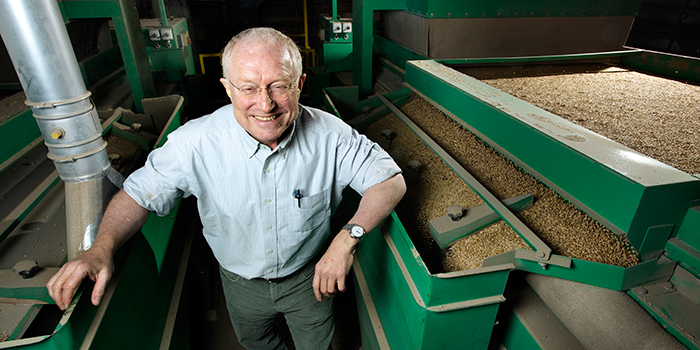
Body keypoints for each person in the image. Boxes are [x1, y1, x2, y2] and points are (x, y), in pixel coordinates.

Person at [46, 27, 405, 349]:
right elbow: (137, 195)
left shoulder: (330, 136)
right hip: (239, 283)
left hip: (310, 278)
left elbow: (390, 180)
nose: (265, 104)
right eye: (248, 88)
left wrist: (347, 238)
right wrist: (101, 248)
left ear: (299, 84)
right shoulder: (194, 143)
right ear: (227, 89)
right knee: (255, 341)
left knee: (316, 341)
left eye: (279, 86)